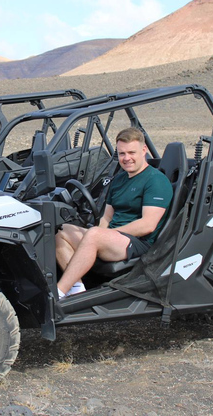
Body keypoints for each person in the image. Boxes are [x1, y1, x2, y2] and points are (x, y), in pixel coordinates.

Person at [55, 127, 172, 299]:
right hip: (113, 237)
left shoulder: (156, 180)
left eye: (132, 152)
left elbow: (148, 225)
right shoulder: (119, 179)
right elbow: (107, 216)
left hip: (137, 243)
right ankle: (76, 289)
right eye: (122, 153)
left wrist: (104, 234)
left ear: (144, 150)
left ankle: (58, 293)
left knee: (94, 235)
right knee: (61, 231)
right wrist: (101, 231)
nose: (126, 158)